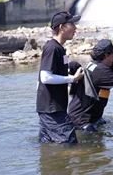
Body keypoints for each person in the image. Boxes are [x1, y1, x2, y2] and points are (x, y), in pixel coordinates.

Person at [36, 11, 84, 143]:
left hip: (50, 107)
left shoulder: (59, 48)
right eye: (72, 24)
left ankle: (51, 163)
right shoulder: (52, 48)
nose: (75, 28)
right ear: (62, 27)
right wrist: (73, 79)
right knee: (70, 142)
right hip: (52, 108)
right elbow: (45, 77)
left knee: (48, 144)